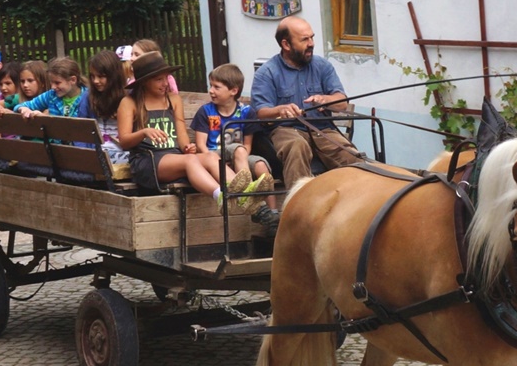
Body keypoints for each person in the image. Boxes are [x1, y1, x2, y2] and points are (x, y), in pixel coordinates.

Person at [118, 52, 251, 203]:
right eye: (158, 80)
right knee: (190, 161)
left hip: (175, 157)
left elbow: (181, 137)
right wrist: (143, 133)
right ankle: (221, 196)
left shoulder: (173, 99)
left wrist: (187, 147)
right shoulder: (129, 103)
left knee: (211, 157)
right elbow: (124, 141)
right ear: (144, 82)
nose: (165, 83)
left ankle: (245, 195)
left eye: (166, 78)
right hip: (147, 160)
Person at [251, 16, 364, 188]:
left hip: (322, 129)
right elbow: (261, 113)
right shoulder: (267, 73)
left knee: (352, 156)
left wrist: (325, 100)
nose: (311, 43)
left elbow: (341, 103)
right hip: (286, 130)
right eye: (304, 39)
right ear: (286, 45)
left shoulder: (322, 66)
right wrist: (280, 110)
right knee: (297, 146)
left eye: (312, 37)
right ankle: (299, 205)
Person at [190, 63, 279, 231]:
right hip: (214, 155)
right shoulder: (206, 111)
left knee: (261, 166)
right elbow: (201, 145)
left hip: (240, 155)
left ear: (233, 91)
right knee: (238, 149)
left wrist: (240, 157)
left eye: (216, 87)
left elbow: (248, 144)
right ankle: (247, 193)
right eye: (211, 86)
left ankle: (272, 215)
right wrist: (219, 162)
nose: (211, 90)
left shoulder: (246, 112)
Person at [76, 50, 130, 165]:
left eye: (101, 76)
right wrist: (83, 156)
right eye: (92, 76)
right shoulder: (88, 98)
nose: (96, 81)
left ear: (114, 76)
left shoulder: (129, 97)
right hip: (97, 153)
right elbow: (80, 131)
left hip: (123, 152)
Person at [13, 56, 84, 119]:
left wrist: (45, 119)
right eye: (51, 82)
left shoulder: (87, 99)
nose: (53, 87)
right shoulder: (51, 95)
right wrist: (24, 109)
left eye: (57, 83)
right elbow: (21, 106)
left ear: (73, 80)